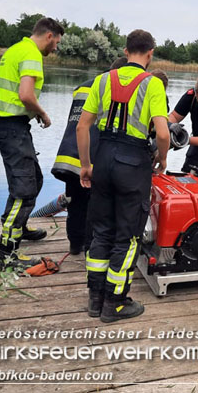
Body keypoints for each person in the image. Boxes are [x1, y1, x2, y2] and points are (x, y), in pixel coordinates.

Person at [77, 29, 170, 323]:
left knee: (101, 230)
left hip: (103, 159)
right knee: (128, 236)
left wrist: (85, 165)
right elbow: (164, 133)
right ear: (150, 53)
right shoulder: (152, 84)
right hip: (133, 164)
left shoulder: (103, 79)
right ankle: (114, 302)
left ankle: (95, 299)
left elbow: (82, 127)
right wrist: (162, 158)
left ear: (126, 50)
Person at [0, 17, 64, 271]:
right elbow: (25, 95)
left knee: (34, 178)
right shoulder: (32, 55)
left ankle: (18, 227)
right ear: (49, 36)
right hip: (11, 126)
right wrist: (42, 113)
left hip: (7, 124)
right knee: (24, 190)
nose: (55, 49)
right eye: (56, 43)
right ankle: (7, 255)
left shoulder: (16, 48)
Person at [51, 57, 128, 255]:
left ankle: (75, 244)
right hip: (90, 158)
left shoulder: (82, 86)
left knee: (75, 202)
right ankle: (89, 247)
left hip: (68, 154)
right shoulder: (111, 89)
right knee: (93, 206)